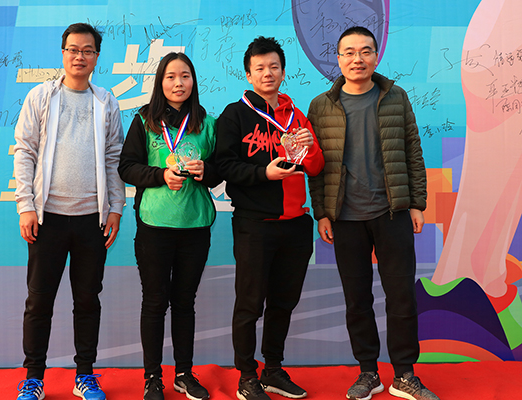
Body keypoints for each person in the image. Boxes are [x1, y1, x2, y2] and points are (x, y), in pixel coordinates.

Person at [307, 26, 439, 400]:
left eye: (365, 51)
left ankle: (404, 374)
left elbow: (412, 150)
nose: (357, 59)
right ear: (338, 59)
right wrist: (322, 213)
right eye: (349, 52)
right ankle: (368, 372)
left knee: (402, 297)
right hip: (345, 218)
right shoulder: (321, 106)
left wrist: (417, 203)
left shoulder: (395, 97)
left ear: (376, 56)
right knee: (357, 299)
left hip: (392, 212)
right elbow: (316, 166)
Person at [13, 23, 125, 400]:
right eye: (73, 49)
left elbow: (114, 157)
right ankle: (33, 378)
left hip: (93, 220)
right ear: (63, 53)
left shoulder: (106, 101)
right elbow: (24, 151)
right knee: (39, 300)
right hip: (47, 219)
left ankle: (85, 375)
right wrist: (26, 205)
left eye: (87, 50)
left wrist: (115, 208)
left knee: (87, 300)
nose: (80, 56)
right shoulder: (41, 96)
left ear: (96, 56)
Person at [215, 36, 324, 400]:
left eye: (274, 67)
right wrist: (264, 173)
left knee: (283, 302)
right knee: (249, 304)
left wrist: (309, 150)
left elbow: (315, 166)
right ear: (248, 75)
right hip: (255, 225)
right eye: (260, 68)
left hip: (296, 224)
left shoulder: (296, 116)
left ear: (283, 71)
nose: (267, 73)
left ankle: (273, 370)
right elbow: (224, 165)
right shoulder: (235, 115)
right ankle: (247, 376)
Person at [118, 52, 220, 400]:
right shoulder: (144, 121)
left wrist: (207, 171)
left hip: (195, 225)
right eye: (171, 77)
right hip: (154, 226)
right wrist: (160, 175)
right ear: (160, 82)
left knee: (185, 302)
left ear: (194, 81)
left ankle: (184, 374)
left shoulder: (207, 123)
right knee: (155, 301)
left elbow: (223, 168)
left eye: (185, 76)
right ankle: (152, 377)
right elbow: (127, 167)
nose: (179, 83)